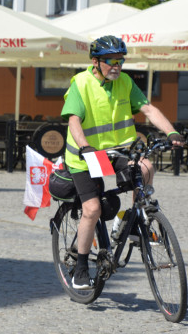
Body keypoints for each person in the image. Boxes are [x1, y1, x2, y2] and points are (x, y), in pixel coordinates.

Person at [61, 35, 184, 290]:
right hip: (85, 155)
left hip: (118, 150)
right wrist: (85, 147)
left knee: (146, 167)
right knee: (93, 209)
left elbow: (148, 109)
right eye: (110, 61)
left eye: (120, 61)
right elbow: (73, 120)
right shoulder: (81, 83)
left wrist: (171, 132)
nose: (116, 66)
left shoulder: (125, 82)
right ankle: (81, 267)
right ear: (96, 62)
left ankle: (127, 221)